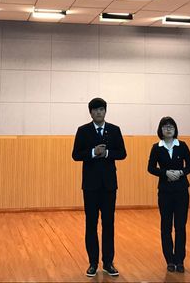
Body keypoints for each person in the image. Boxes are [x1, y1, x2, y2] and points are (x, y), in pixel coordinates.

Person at [72, 97, 127, 278]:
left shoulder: (114, 130)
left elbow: (122, 153)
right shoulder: (83, 130)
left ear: (105, 111)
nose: (98, 112)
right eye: (95, 109)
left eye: (101, 109)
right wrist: (93, 152)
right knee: (91, 224)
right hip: (90, 186)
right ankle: (93, 263)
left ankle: (108, 262)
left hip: (109, 185)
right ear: (90, 112)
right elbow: (75, 155)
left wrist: (107, 153)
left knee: (108, 224)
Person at [147, 116, 190, 273]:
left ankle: (180, 260)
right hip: (165, 192)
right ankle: (169, 260)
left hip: (181, 191)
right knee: (166, 226)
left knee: (180, 226)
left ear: (175, 129)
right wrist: (165, 173)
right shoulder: (156, 147)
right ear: (160, 130)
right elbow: (151, 168)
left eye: (171, 126)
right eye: (165, 126)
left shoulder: (182, 145)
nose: (168, 129)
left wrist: (180, 172)